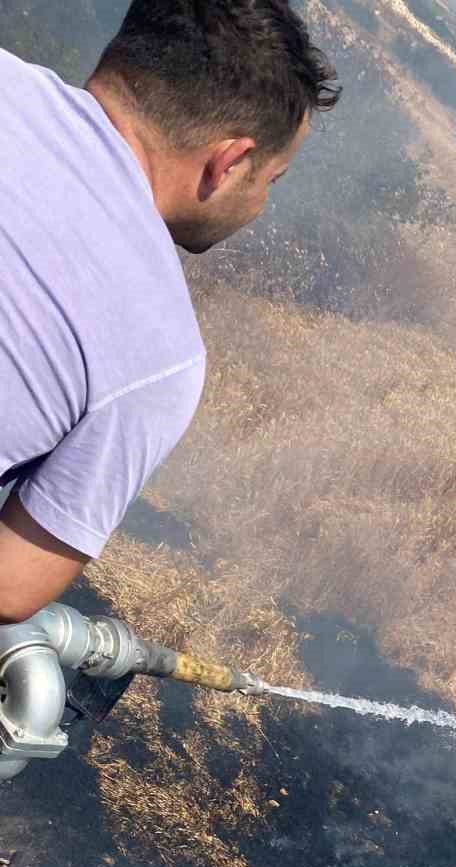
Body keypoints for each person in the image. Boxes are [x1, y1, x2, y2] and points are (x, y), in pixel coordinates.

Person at [0, 1, 340, 624]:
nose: (262, 204)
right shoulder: (161, 356)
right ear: (230, 161)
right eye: (272, 179)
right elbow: (9, 585)